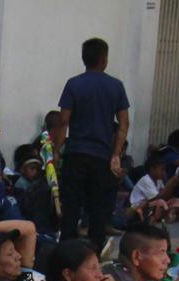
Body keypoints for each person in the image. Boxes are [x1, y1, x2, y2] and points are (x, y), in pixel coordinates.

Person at [57, 38, 131, 245]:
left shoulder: (73, 84)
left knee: (71, 208)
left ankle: (67, 252)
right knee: (98, 209)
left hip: (75, 154)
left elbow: (63, 121)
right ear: (104, 59)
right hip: (102, 157)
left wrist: (56, 151)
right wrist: (115, 154)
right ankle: (94, 256)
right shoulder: (116, 86)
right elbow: (124, 123)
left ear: (84, 59)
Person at [125, 153, 179, 223]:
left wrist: (172, 186)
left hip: (153, 205)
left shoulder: (159, 180)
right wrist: (169, 185)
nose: (164, 173)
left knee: (176, 201)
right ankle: (164, 217)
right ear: (152, 169)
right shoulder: (146, 180)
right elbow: (158, 198)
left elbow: (166, 196)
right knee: (160, 202)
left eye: (164, 170)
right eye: (162, 170)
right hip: (140, 207)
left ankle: (169, 214)